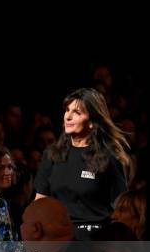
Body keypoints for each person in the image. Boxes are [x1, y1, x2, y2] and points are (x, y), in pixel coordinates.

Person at [35, 88, 130, 240]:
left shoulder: (110, 158)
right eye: (67, 110)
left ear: (92, 122)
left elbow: (122, 209)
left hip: (95, 242)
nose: (68, 117)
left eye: (77, 112)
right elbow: (40, 202)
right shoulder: (51, 154)